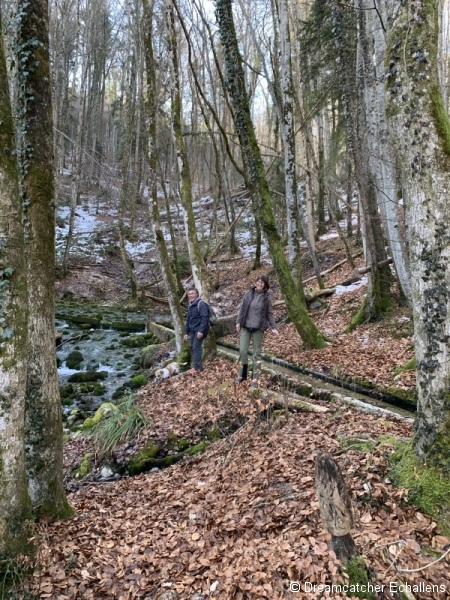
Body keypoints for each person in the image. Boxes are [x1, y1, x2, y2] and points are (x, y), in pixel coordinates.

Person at [235, 275, 278, 388]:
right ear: (256, 282)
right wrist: (238, 322)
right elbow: (242, 309)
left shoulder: (266, 298)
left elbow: (269, 313)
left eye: (262, 283)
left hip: (258, 328)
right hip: (245, 326)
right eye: (258, 281)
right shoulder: (248, 294)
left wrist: (273, 327)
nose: (259, 284)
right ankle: (242, 375)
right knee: (242, 351)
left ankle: (255, 379)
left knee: (256, 354)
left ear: (265, 285)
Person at [184, 287, 210, 374]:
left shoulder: (201, 304)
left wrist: (201, 331)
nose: (191, 295)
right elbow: (188, 319)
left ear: (197, 294)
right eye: (189, 294)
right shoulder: (190, 305)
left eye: (192, 293)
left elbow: (205, 318)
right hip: (193, 330)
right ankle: (197, 366)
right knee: (192, 347)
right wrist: (186, 332)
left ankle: (197, 367)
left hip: (200, 330)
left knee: (196, 347)